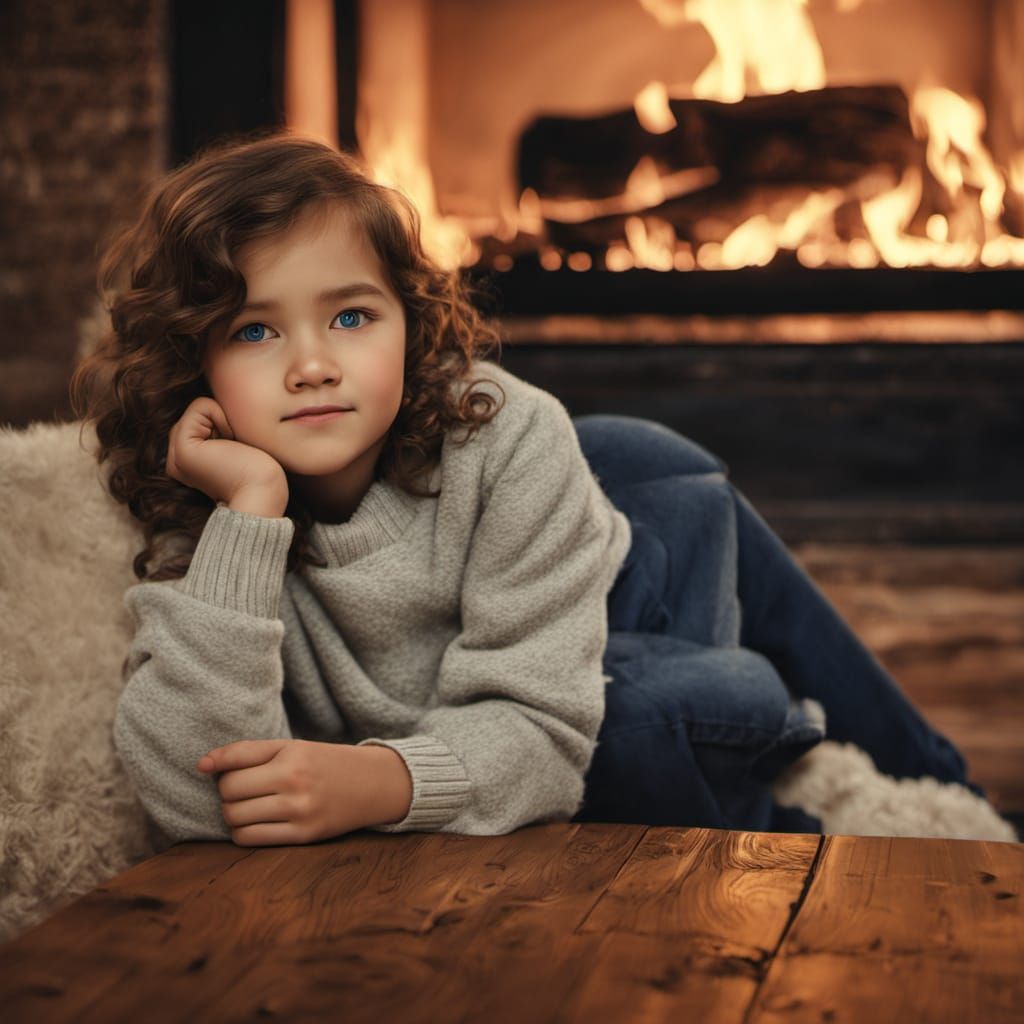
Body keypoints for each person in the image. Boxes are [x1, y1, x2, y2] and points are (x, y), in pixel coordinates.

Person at [69, 131, 997, 849]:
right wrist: (251, 510)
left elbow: (540, 734)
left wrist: (385, 781)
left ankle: (938, 792)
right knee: (637, 704)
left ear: (411, 324)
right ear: (192, 362)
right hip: (547, 551)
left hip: (633, 571)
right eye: (255, 332)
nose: (313, 365)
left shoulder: (507, 436)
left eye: (352, 315)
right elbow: (195, 791)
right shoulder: (219, 501)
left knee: (656, 609)